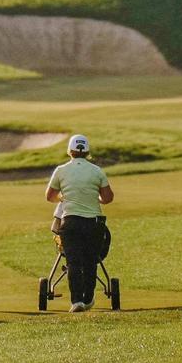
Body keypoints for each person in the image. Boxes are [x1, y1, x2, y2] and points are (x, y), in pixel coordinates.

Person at [45, 134, 115, 313]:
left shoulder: (61, 170)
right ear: (87, 152)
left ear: (70, 151)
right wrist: (97, 199)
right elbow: (108, 198)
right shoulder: (97, 171)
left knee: (74, 262)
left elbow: (50, 196)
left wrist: (63, 198)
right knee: (90, 261)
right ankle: (88, 298)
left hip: (70, 223)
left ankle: (76, 301)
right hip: (93, 224)